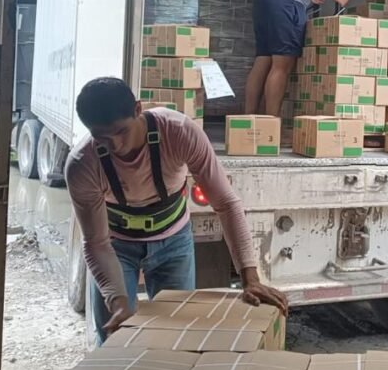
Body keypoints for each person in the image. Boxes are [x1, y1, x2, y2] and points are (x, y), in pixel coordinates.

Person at [65, 77, 289, 345]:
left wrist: (250, 278)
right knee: (114, 335)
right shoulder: (82, 163)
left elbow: (226, 204)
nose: (115, 146)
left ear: (138, 110)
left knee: (178, 335)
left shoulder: (178, 132)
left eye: (121, 132)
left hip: (173, 241)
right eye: (102, 138)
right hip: (116, 246)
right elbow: (96, 243)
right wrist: (118, 301)